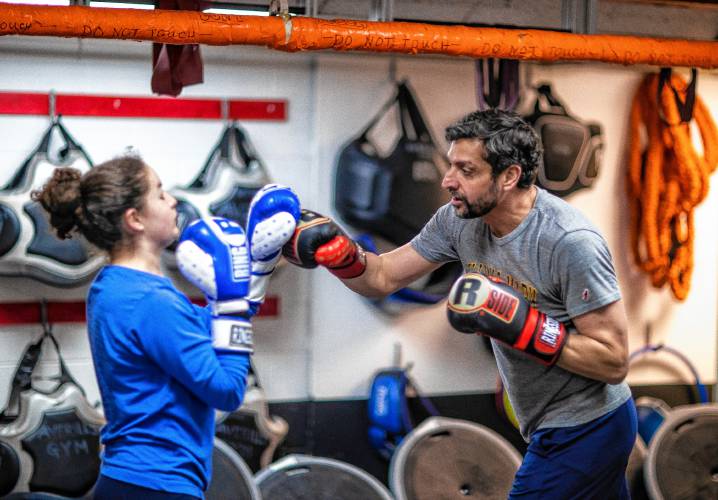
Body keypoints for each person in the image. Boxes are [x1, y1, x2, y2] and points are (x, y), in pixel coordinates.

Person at [282, 109, 637, 499]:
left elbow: (614, 360)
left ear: (509, 176)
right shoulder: (458, 221)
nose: (448, 180)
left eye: (466, 171)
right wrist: (343, 258)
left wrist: (526, 328)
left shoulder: (569, 241)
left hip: (590, 425)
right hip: (544, 422)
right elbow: (382, 276)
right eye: (451, 166)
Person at [32, 154, 299, 499]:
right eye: (159, 193)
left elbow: (200, 329)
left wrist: (256, 274)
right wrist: (232, 307)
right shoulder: (150, 301)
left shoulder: (114, 286)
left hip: (130, 479)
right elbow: (228, 390)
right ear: (135, 219)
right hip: (157, 485)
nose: (172, 200)